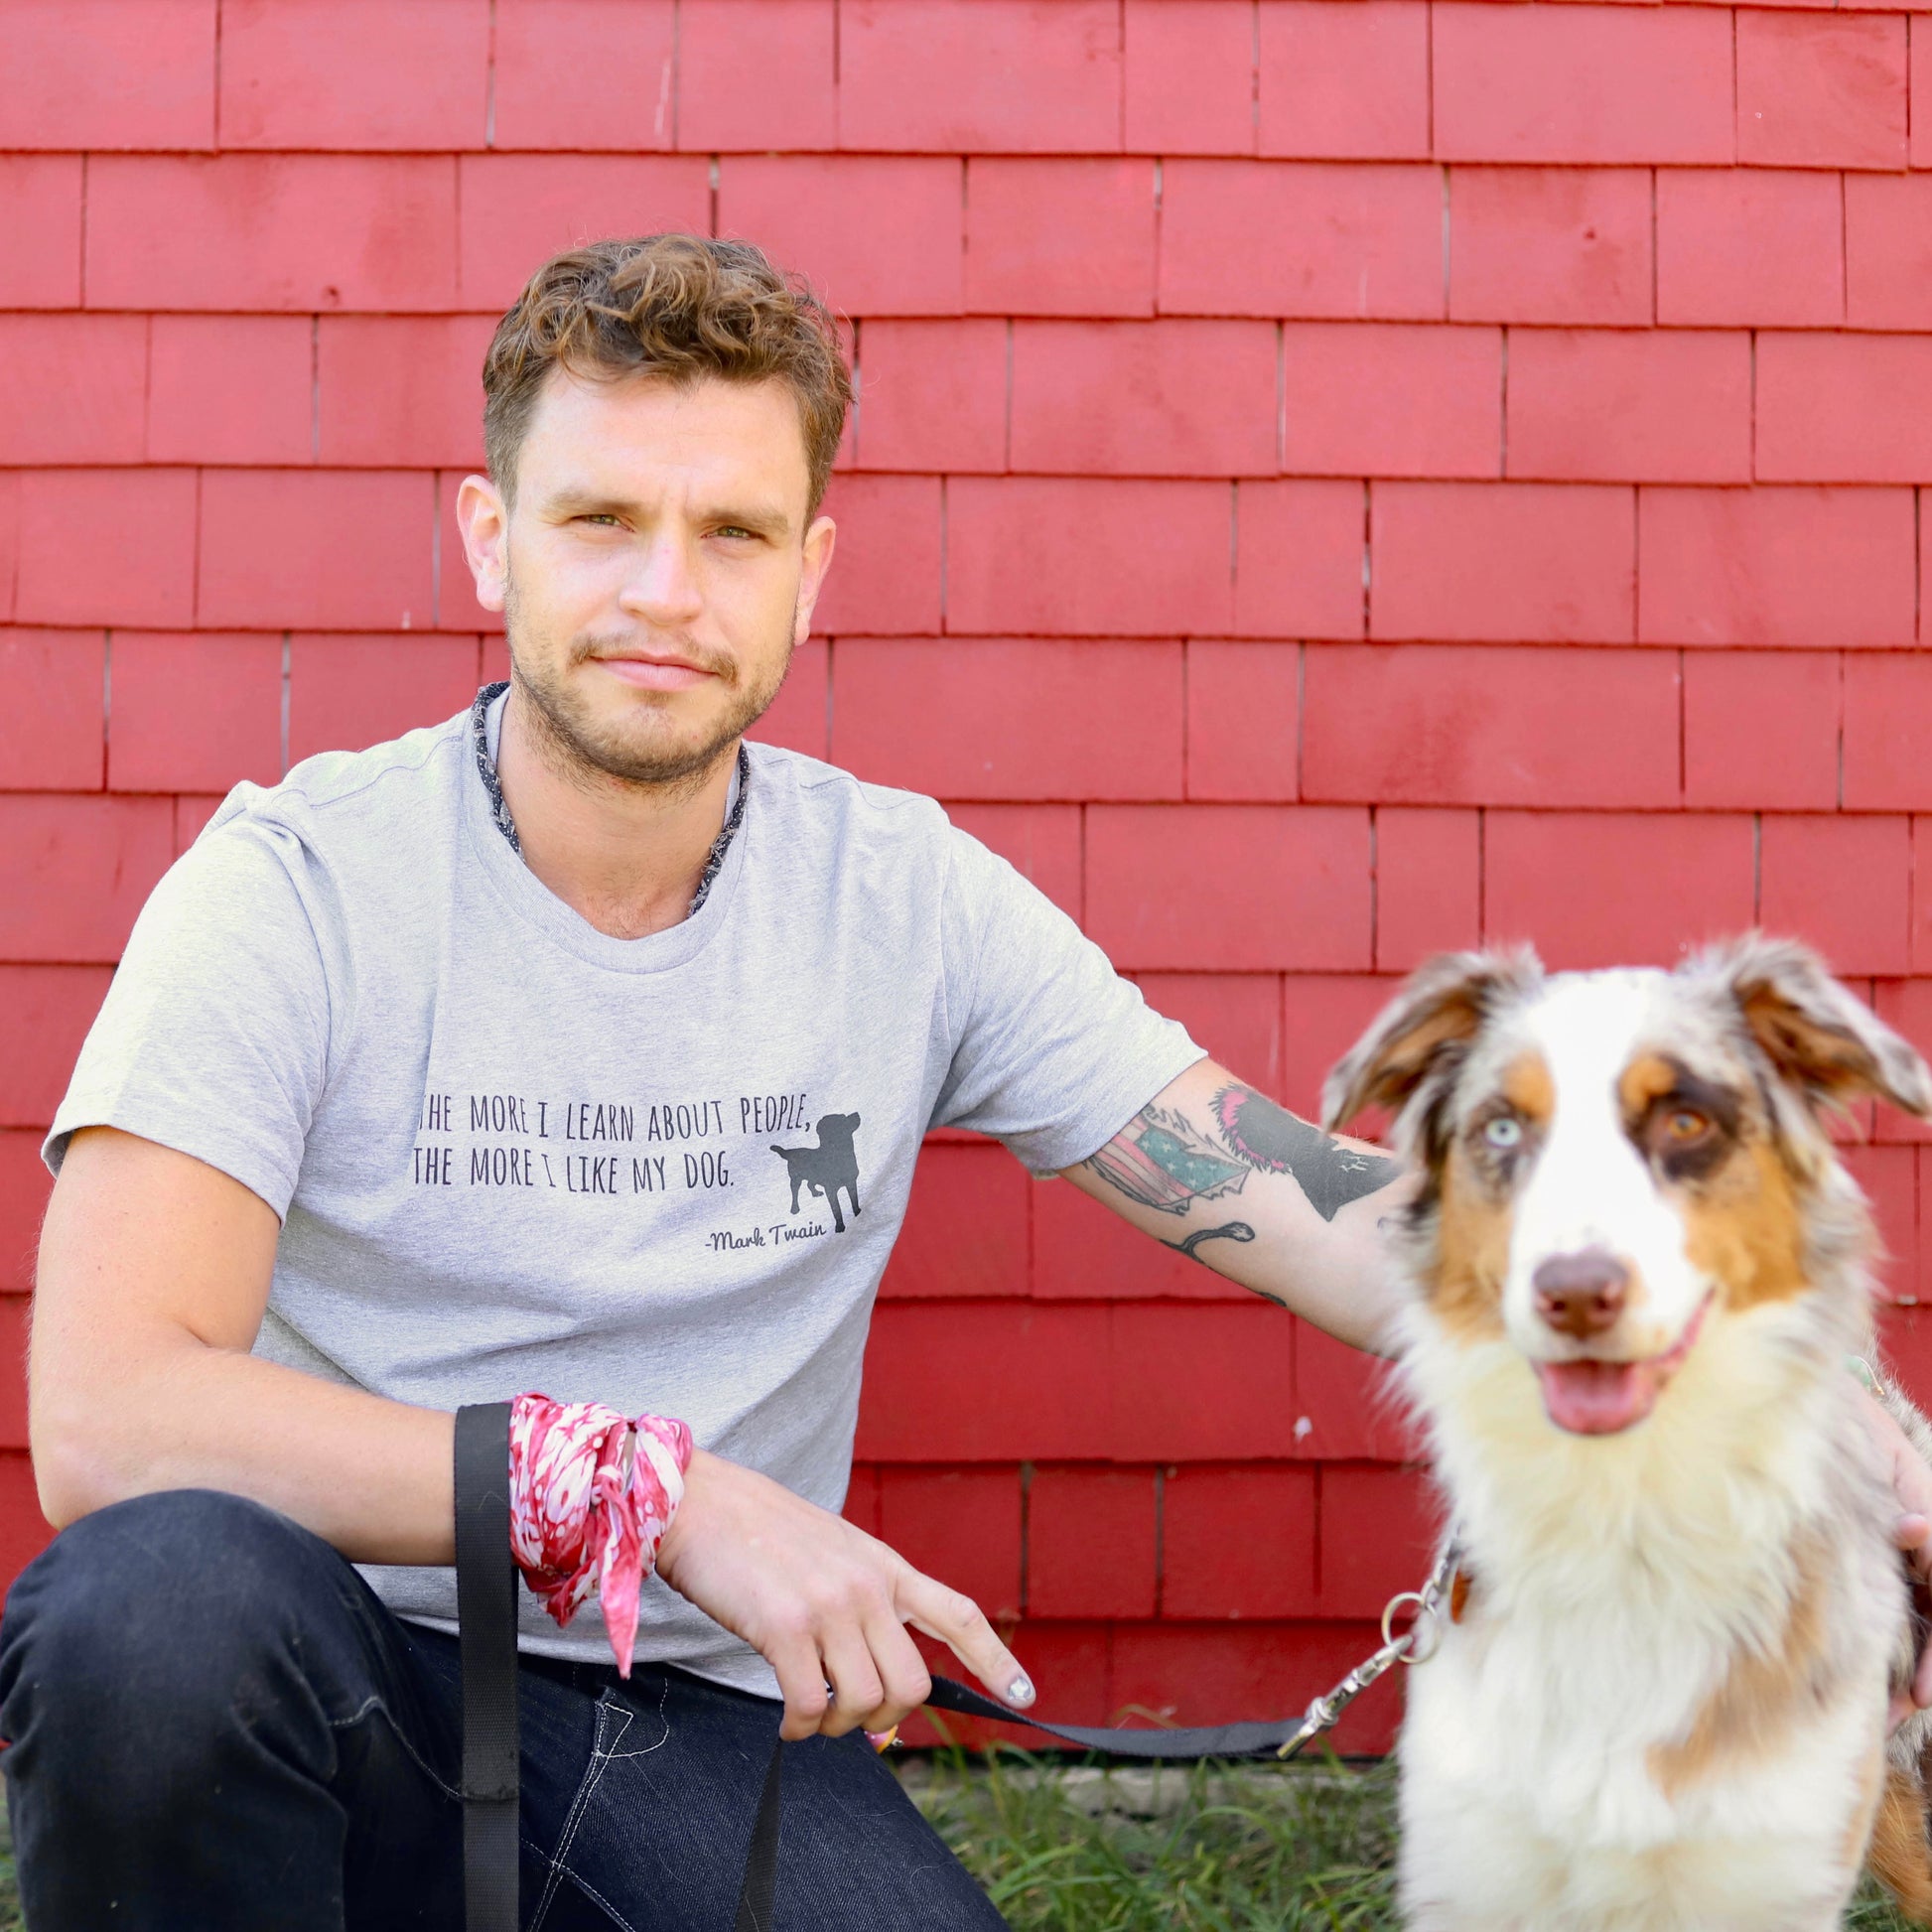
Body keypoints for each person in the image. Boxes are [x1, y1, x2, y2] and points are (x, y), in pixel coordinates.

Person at [4, 233, 1929, 1932]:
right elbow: (107, 1412)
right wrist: (640, 1485)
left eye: (732, 532)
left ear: (810, 569)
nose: (665, 589)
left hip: (696, 1714)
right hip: (333, 1682)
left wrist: (1824, 1406)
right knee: (150, 1608)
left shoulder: (901, 898)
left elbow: (1307, 1202)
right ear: (489, 534)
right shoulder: (296, 887)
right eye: (599, 519)